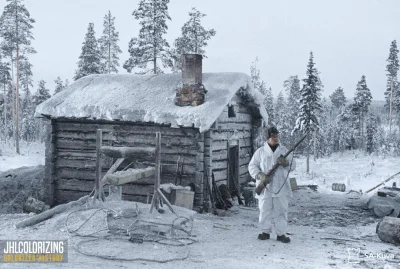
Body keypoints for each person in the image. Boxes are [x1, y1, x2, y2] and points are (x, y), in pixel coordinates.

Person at [248, 126, 296, 243]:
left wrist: (285, 163)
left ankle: (281, 234)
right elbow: (252, 166)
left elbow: (293, 166)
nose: (275, 138)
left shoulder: (284, 151)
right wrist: (260, 176)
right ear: (268, 137)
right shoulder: (260, 152)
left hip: (281, 186)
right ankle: (265, 232)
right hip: (265, 187)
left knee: (281, 211)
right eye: (273, 136)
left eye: (277, 136)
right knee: (265, 210)